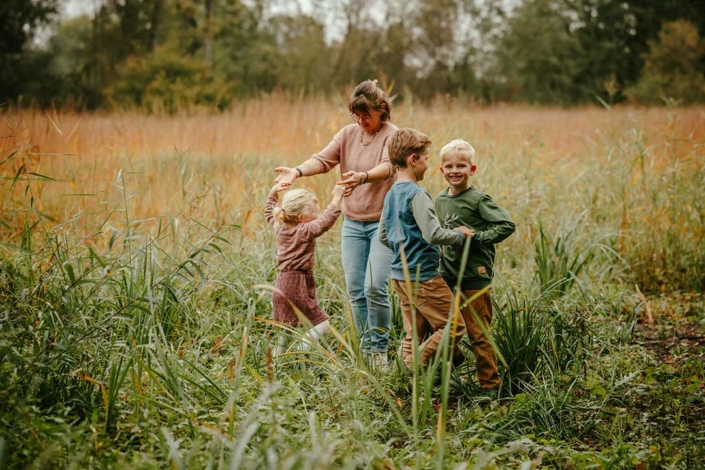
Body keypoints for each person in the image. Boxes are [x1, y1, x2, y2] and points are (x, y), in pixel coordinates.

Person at [274, 80, 397, 367]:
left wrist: (363, 176)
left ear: (381, 110)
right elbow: (324, 159)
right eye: (356, 114)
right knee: (356, 289)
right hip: (353, 223)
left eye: (366, 114)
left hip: (382, 223)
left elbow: (389, 166)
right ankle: (365, 351)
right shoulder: (348, 134)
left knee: (375, 286)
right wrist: (297, 171)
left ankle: (379, 351)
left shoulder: (393, 135)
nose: (360, 120)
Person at [378, 128, 473, 369]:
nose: (427, 165)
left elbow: (382, 236)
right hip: (423, 276)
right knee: (453, 326)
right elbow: (433, 234)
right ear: (413, 159)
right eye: (426, 159)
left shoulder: (390, 194)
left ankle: (401, 378)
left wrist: (406, 248)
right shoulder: (417, 194)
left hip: (399, 276)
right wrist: (458, 235)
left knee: (414, 334)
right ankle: (414, 364)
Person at [435, 139, 516, 396]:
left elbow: (506, 225)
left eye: (461, 165)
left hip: (474, 276)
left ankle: (489, 387)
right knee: (446, 327)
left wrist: (479, 238)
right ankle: (452, 364)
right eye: (449, 166)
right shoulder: (439, 200)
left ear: (472, 169)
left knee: (479, 333)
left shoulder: (478, 199)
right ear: (441, 170)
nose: (455, 170)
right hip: (447, 274)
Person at [264, 181, 345, 357]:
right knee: (321, 324)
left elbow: (269, 210)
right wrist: (337, 198)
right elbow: (323, 223)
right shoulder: (304, 230)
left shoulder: (279, 226)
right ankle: (301, 352)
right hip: (296, 283)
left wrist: (273, 192)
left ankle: (277, 364)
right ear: (302, 218)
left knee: (285, 329)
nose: (317, 214)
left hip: (281, 283)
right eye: (314, 212)